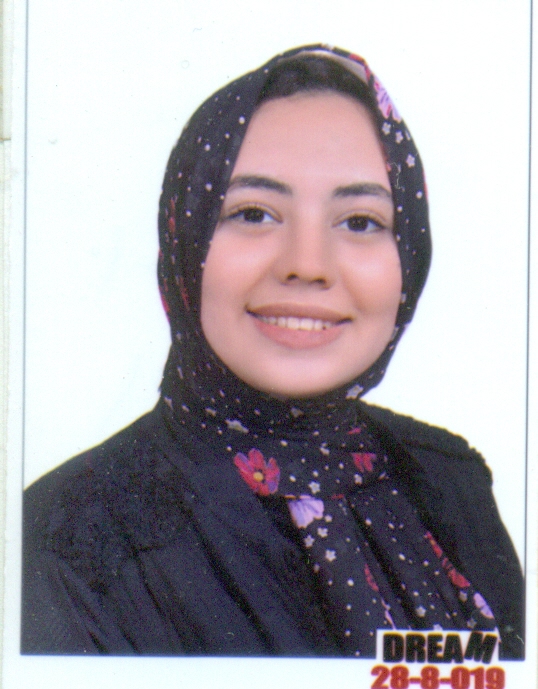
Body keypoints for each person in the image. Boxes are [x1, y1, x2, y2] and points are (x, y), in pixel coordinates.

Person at [22, 44, 523, 658]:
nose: (307, 265)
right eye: (254, 213)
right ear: (185, 237)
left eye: (360, 221)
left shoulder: (448, 479)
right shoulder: (64, 540)